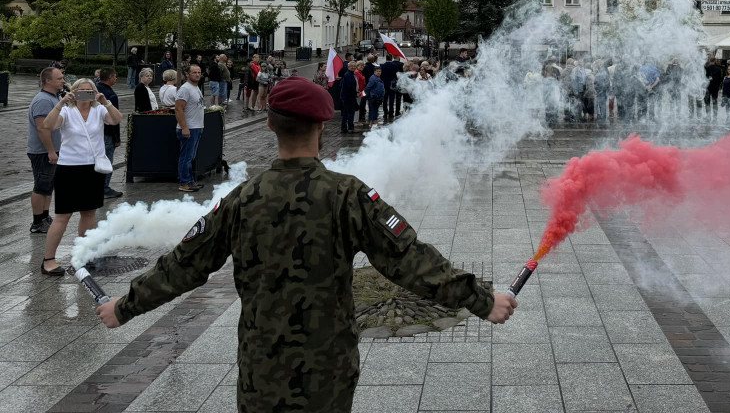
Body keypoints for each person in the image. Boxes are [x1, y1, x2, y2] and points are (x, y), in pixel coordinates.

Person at [96, 76, 516, 411]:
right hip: (327, 371)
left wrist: (124, 306)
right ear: (322, 125)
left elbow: (182, 265)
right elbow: (410, 259)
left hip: (262, 370)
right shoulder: (348, 195)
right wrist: (481, 300)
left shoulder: (243, 199)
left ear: (269, 124)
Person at [39, 78, 123, 275]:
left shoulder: (99, 110)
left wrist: (105, 101)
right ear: (74, 92)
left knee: (88, 213)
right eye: (81, 90)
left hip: (93, 168)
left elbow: (116, 119)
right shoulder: (67, 111)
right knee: (63, 215)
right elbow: (48, 125)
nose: (85, 93)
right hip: (68, 168)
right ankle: (48, 259)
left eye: (89, 90)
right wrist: (61, 103)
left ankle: (84, 255)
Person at [28, 67, 65, 234]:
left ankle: (44, 217)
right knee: (41, 186)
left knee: (48, 186)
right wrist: (51, 151)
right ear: (48, 81)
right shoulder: (43, 100)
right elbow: (42, 128)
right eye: (59, 78)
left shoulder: (55, 97)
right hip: (43, 152)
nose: (63, 81)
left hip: (52, 150)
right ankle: (37, 223)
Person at [174, 64, 206, 193]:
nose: (197, 75)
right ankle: (184, 182)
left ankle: (190, 180)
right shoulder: (185, 89)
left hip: (197, 127)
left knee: (191, 156)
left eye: (199, 72)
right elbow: (178, 109)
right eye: (194, 72)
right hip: (189, 128)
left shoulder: (196, 87)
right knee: (186, 157)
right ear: (187, 74)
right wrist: (184, 127)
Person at [95, 69, 124, 200]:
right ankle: (104, 188)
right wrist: (116, 138)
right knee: (106, 160)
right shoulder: (110, 95)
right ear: (110, 78)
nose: (116, 79)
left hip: (95, 132)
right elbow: (114, 120)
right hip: (107, 133)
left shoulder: (95, 90)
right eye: (115, 76)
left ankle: (97, 187)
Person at [380, 56, 404, 120]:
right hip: (392, 84)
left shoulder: (382, 66)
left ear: (386, 58)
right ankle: (391, 112)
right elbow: (396, 75)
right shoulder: (394, 66)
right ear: (391, 58)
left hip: (384, 84)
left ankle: (385, 113)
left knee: (385, 99)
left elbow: (381, 75)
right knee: (391, 99)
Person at [340, 62, 358, 134]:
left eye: (354, 66)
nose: (353, 67)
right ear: (348, 67)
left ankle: (344, 128)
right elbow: (350, 87)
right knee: (350, 113)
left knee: (346, 113)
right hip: (349, 97)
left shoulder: (350, 74)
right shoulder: (348, 75)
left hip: (347, 96)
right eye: (351, 66)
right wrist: (356, 93)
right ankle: (351, 128)